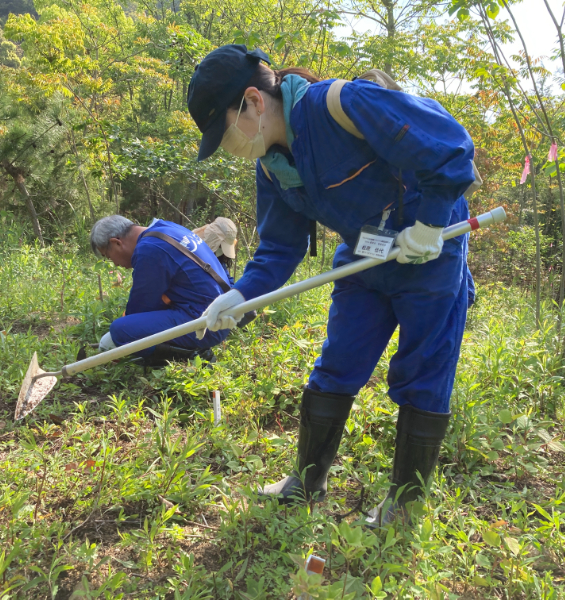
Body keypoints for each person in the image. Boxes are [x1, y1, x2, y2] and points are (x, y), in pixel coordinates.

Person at [187, 45, 477, 526]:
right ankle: (307, 479)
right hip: (365, 256)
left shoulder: (343, 104)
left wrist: (428, 226)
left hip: (430, 251)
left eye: (225, 131)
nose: (228, 147)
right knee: (337, 362)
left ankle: (403, 507)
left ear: (255, 102)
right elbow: (280, 247)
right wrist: (240, 294)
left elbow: (450, 148)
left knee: (424, 371)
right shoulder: (272, 165)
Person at [90, 215, 232, 366]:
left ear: (116, 242)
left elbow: (141, 307)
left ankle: (193, 354)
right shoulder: (168, 227)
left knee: (121, 330)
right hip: (224, 312)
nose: (116, 264)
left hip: (206, 323)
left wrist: (118, 337)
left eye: (109, 257)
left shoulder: (148, 249)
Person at [193, 216, 239, 285]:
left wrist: (232, 289)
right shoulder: (193, 248)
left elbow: (226, 277)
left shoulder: (219, 256)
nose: (222, 250)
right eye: (221, 246)